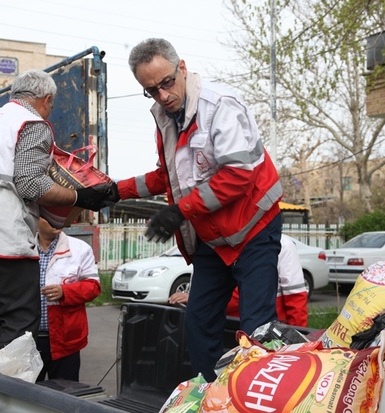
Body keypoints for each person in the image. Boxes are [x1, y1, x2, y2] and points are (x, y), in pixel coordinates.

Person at [110, 38, 283, 381]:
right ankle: (213, 394)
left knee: (256, 331)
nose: (162, 95)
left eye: (167, 83)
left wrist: (179, 211)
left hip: (254, 230)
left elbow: (238, 175)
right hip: (212, 239)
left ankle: (255, 398)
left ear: (183, 69)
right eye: (151, 90)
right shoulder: (165, 116)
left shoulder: (221, 106)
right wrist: (114, 191)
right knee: (198, 322)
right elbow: (169, 175)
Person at [0, 69, 114, 357]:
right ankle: (7, 396)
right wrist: (80, 196)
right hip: (0, 242)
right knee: (20, 325)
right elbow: (32, 184)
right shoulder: (31, 123)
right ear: (46, 99)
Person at [168, 234, 309, 327]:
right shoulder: (209, 245)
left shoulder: (282, 244)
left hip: (267, 330)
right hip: (225, 327)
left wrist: (296, 342)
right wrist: (196, 298)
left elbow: (295, 297)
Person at [35, 217, 101, 382]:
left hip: (66, 339)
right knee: (29, 397)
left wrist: (65, 292)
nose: (56, 220)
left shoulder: (79, 249)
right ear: (36, 217)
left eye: (59, 215)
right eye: (49, 216)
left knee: (65, 395)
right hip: (30, 338)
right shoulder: (23, 246)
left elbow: (93, 286)